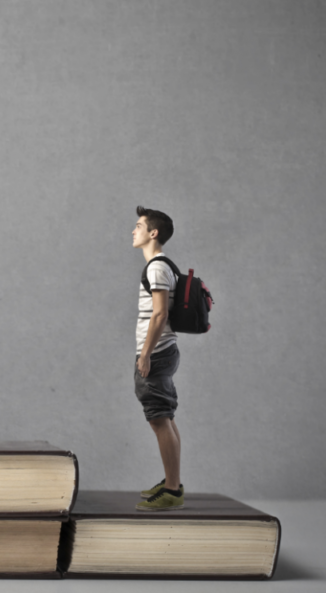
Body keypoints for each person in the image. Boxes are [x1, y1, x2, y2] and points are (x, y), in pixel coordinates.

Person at [131, 205, 184, 511]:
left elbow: (160, 314)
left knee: (160, 419)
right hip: (164, 350)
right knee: (165, 418)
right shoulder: (161, 266)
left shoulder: (157, 267)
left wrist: (146, 354)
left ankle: (172, 491)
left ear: (153, 233)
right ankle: (171, 482)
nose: (133, 230)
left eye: (139, 226)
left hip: (158, 351)